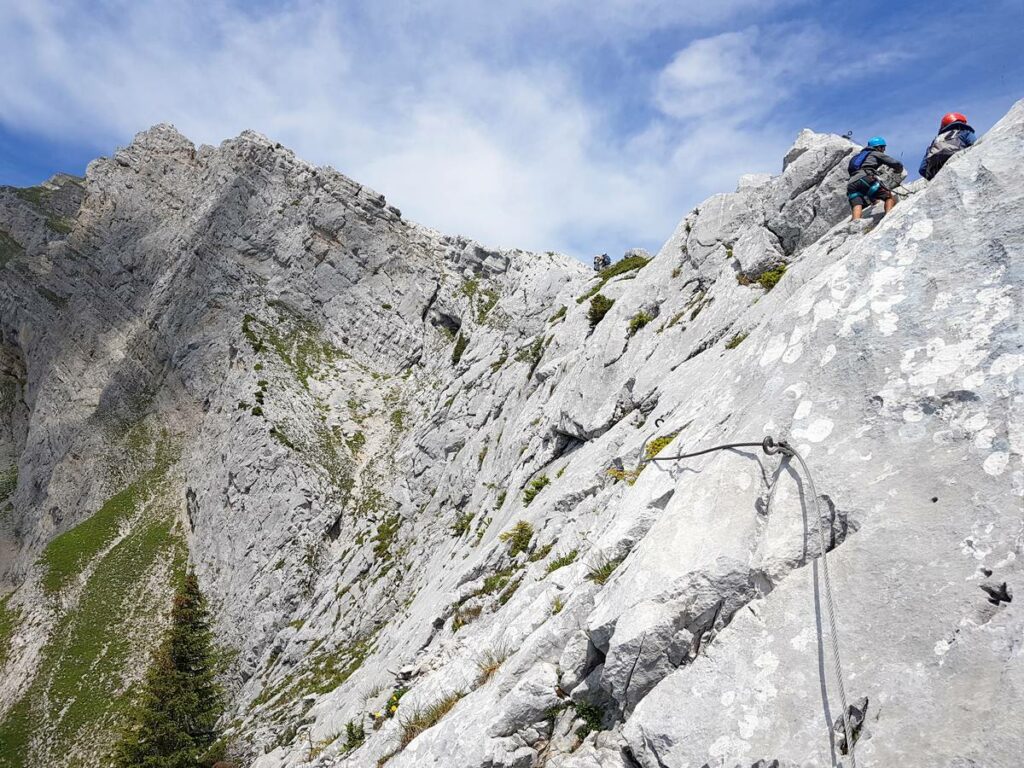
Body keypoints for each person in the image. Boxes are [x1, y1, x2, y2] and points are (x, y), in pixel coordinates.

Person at [846, 136, 904, 221]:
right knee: (888, 197)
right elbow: (895, 163)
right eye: (883, 147)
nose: (884, 150)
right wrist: (898, 170)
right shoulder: (875, 153)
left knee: (857, 204)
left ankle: (855, 224)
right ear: (878, 147)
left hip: (851, 183)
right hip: (866, 178)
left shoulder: (857, 157)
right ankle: (889, 219)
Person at [919, 112, 976, 180]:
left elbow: (922, 169)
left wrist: (932, 180)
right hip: (960, 166)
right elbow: (975, 146)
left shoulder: (935, 141)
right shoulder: (965, 132)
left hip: (937, 173)